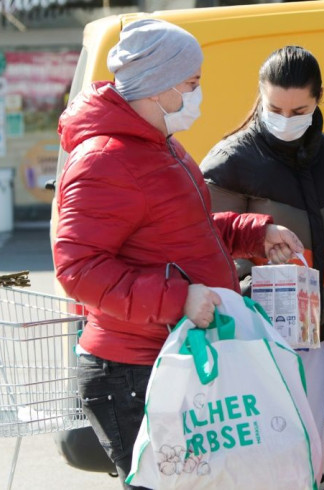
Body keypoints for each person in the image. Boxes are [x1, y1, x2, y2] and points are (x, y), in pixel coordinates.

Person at [54, 19, 303, 489]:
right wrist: (176, 299)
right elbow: (78, 268)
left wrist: (255, 232)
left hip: (170, 354)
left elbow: (186, 230)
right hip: (134, 368)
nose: (197, 94)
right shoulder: (106, 158)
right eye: (191, 84)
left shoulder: (158, 145)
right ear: (157, 86)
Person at [200, 45, 324, 471]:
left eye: (298, 109)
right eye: (275, 108)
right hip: (252, 334)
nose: (285, 120)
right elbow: (202, 241)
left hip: (320, 330)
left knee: (310, 439)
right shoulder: (231, 160)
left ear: (318, 99)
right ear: (260, 95)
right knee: (263, 448)